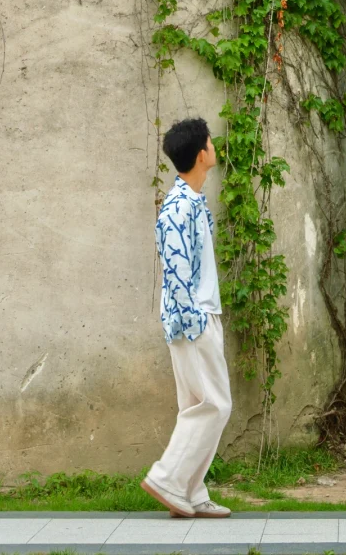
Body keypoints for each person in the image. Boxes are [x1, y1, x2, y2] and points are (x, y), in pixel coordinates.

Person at [141, 117, 232, 519]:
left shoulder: (192, 201)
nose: (214, 147)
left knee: (196, 405)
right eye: (210, 143)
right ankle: (168, 478)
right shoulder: (178, 207)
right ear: (200, 155)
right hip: (193, 321)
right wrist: (196, 321)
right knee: (216, 404)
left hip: (198, 317)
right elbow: (175, 270)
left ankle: (192, 492)